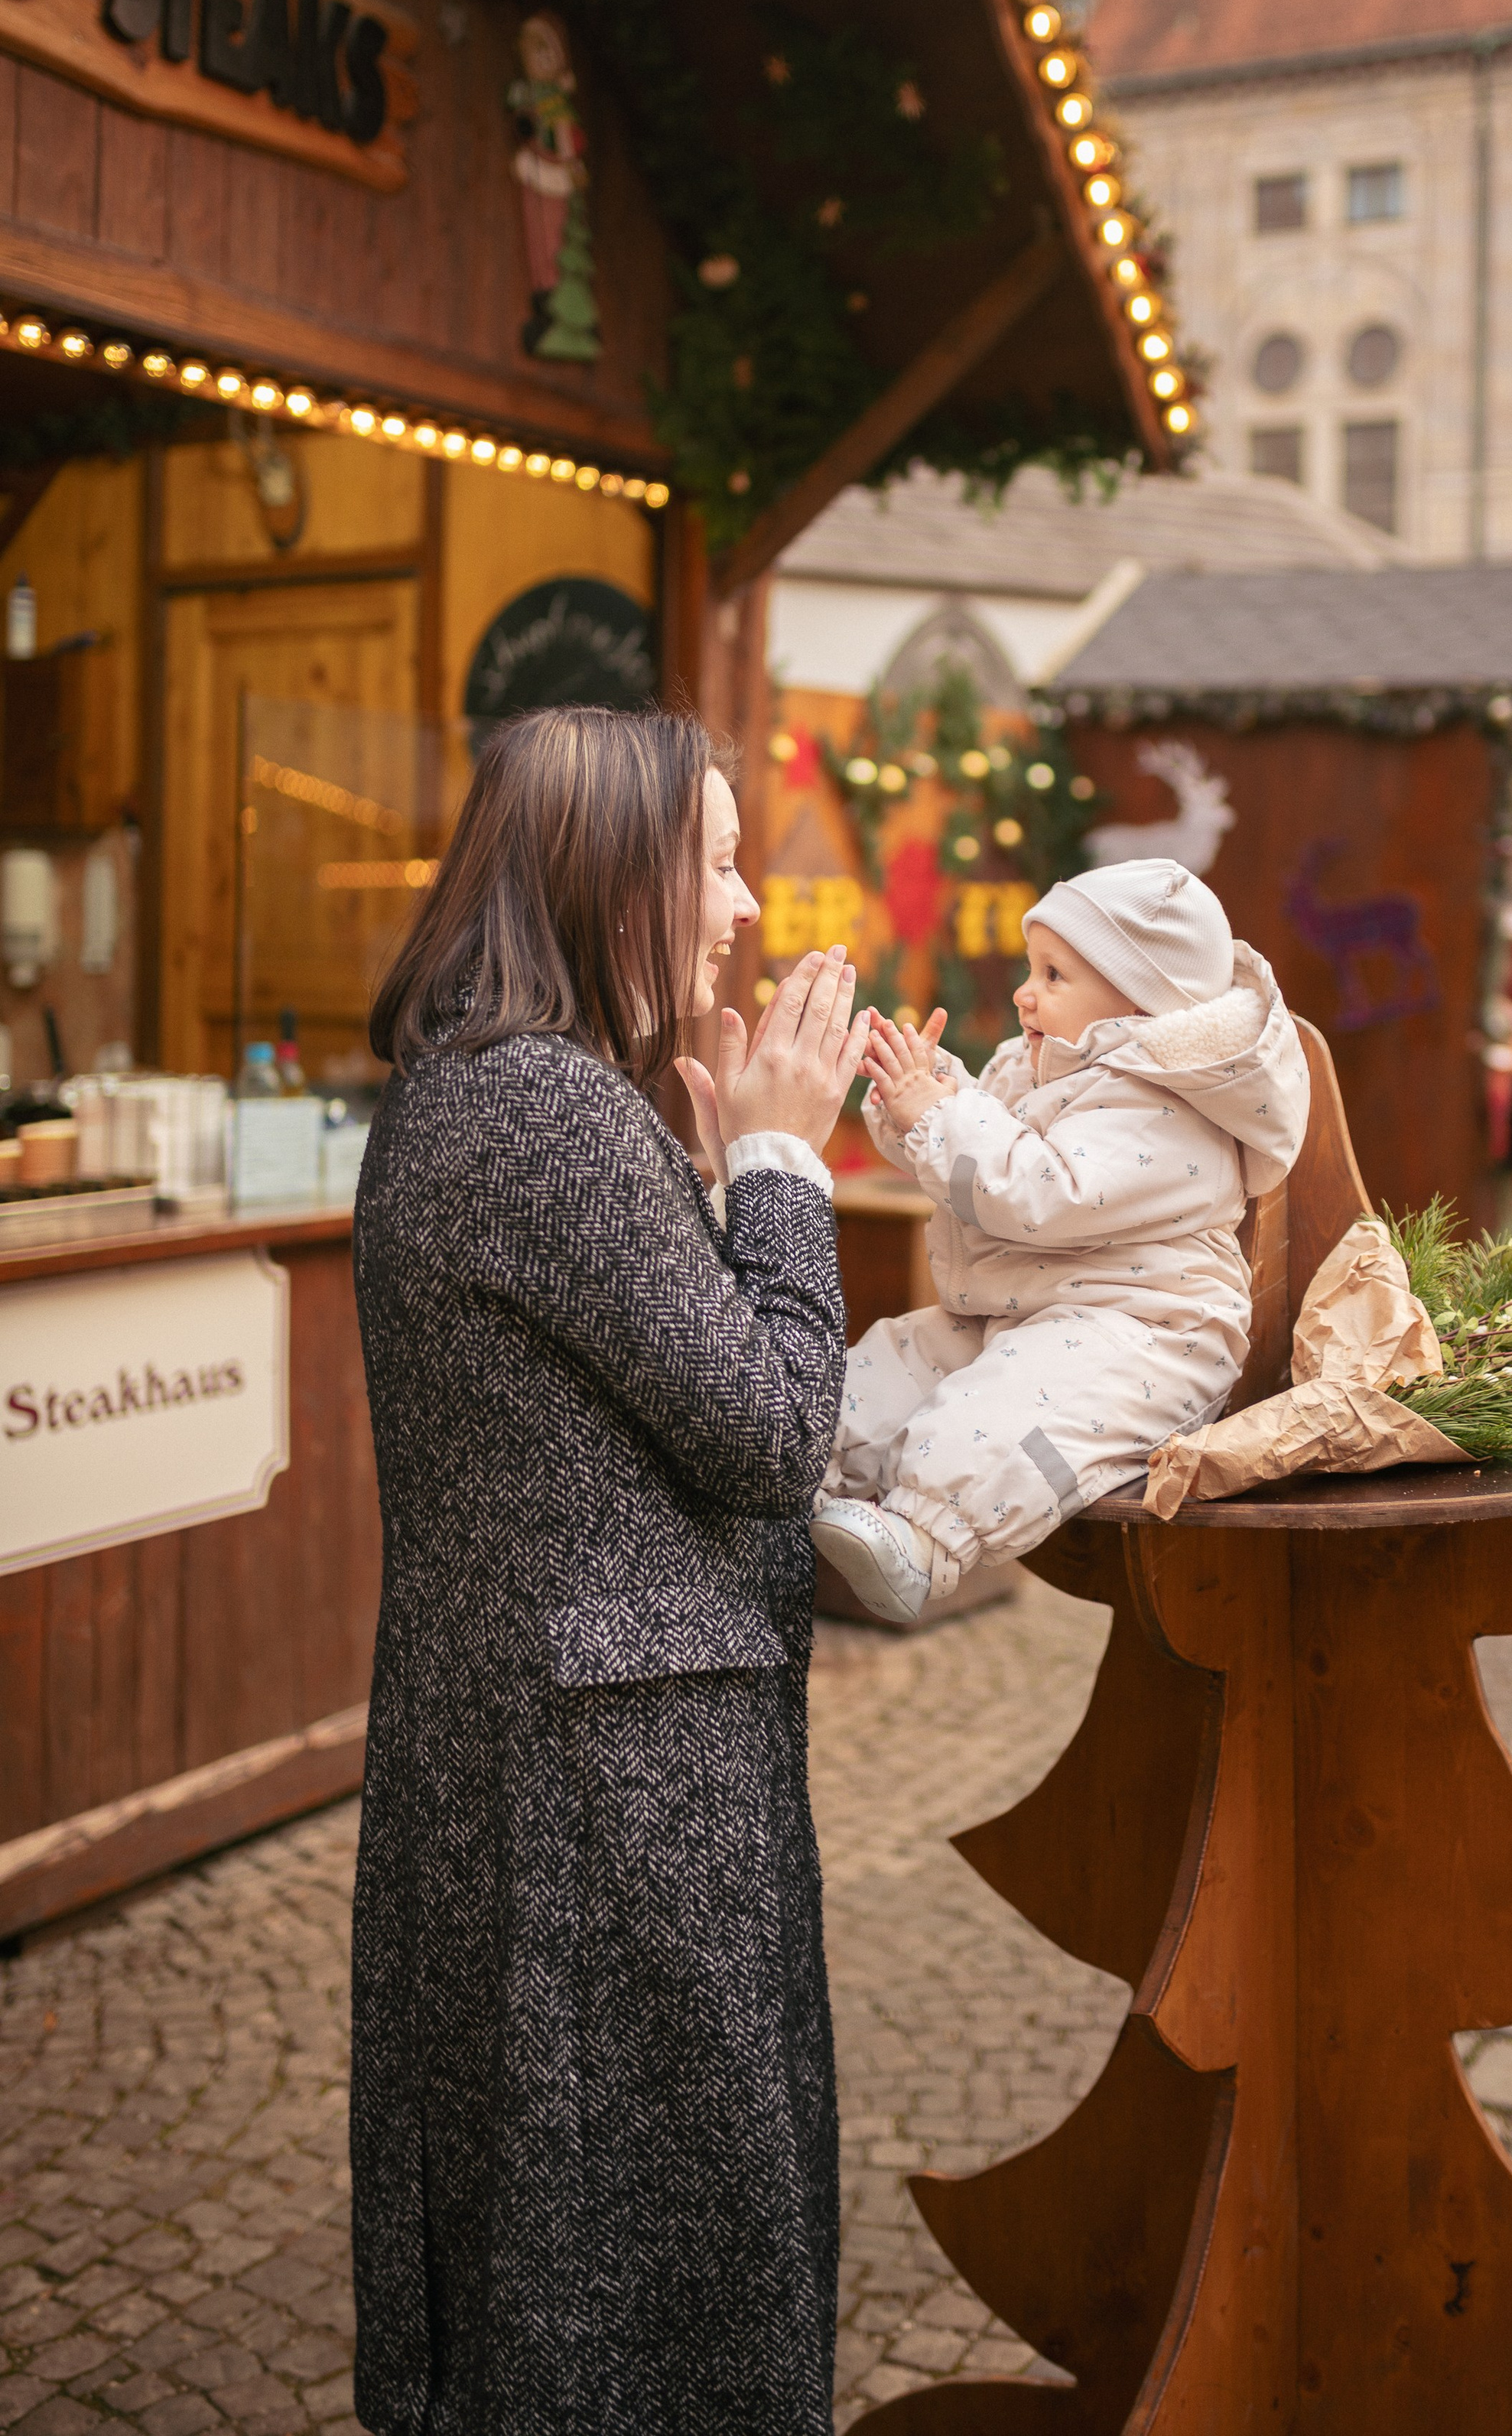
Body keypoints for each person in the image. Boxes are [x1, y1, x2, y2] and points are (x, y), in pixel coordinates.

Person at [349, 704, 868, 2436]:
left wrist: (729, 1187)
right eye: (713, 860)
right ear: (608, 875)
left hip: (579, 1777)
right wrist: (788, 1164)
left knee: (580, 2277)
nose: (738, 908)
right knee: (626, 2308)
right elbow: (770, 1429)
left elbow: (661, 1389)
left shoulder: (502, 1100)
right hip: (606, 1815)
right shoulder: (544, 1116)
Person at [811, 858, 1310, 1624]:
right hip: (1030, 1303)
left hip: (1144, 1331)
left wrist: (939, 1116)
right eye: (1029, 967)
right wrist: (918, 1096)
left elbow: (1038, 1190)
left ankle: (925, 1538)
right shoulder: (1046, 1063)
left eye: (1053, 973)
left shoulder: (1168, 1108)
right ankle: (804, 1458)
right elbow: (979, 1146)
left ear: (1140, 1001)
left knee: (1015, 1407)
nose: (1024, 990)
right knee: (896, 1358)